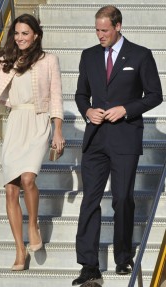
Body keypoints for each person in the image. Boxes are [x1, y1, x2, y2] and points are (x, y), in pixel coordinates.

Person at [72, 5, 162, 286]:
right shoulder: (88, 56)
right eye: (97, 30)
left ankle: (123, 256)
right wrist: (87, 110)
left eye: (105, 30)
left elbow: (155, 95)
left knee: (122, 198)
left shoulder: (140, 55)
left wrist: (126, 109)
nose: (100, 35)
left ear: (118, 26)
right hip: (96, 138)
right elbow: (80, 93)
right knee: (90, 201)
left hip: (125, 136)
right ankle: (89, 265)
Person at [0, 11, 65, 271]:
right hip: (16, 123)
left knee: (28, 179)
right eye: (17, 33)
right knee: (10, 189)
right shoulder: (8, 59)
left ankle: (33, 224)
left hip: (38, 122)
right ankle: (19, 248)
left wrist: (57, 130)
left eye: (25, 33)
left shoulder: (49, 60)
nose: (20, 37)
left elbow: (57, 97)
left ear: (36, 35)